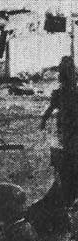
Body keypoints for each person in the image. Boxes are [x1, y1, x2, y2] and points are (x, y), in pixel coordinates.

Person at [40, 55, 78, 206]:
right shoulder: (68, 93)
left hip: (67, 129)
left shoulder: (59, 93)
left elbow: (49, 109)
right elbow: (50, 109)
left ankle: (69, 189)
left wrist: (43, 121)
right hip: (69, 129)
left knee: (68, 157)